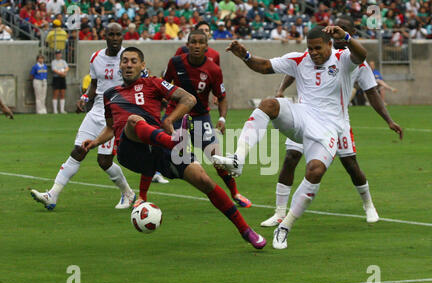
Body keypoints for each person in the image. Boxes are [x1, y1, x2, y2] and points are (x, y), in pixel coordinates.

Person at [81, 46, 266, 249]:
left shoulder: (154, 83)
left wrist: (170, 119)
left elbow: (189, 99)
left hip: (158, 149)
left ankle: (246, 230)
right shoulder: (110, 94)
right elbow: (111, 127)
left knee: (204, 180)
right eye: (125, 61)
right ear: (120, 65)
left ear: (143, 65)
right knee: (134, 120)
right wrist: (96, 142)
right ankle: (173, 142)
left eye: (134, 61)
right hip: (130, 151)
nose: (128, 64)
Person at [213, 26, 368, 249]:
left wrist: (346, 37)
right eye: (310, 48)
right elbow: (265, 66)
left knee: (315, 171)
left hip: (328, 128)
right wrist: (245, 56)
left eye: (318, 48)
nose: (313, 52)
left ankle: (285, 225)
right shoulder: (299, 59)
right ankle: (238, 158)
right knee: (268, 105)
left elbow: (361, 55)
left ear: (329, 45)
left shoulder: (342, 59)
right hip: (302, 115)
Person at [260, 16, 403, 228]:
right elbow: (295, 69)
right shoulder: (317, 54)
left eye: (342, 29)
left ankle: (368, 204)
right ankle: (279, 212)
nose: (335, 32)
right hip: (305, 116)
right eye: (333, 28)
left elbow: (371, 92)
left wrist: (389, 120)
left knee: (351, 165)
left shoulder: (354, 60)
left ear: (350, 32)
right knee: (290, 158)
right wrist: (281, 89)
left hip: (337, 122)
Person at [136, 30, 252, 208]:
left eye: (200, 42)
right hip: (176, 115)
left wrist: (222, 118)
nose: (196, 46)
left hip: (201, 118)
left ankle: (235, 193)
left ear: (206, 46)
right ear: (187, 44)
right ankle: (141, 197)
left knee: (216, 157)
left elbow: (221, 97)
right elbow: (162, 86)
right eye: (193, 42)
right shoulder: (175, 63)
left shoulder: (213, 69)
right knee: (156, 151)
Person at [30, 23, 135, 211]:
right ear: (105, 36)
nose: (114, 38)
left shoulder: (129, 58)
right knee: (78, 151)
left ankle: (128, 192)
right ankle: (52, 195)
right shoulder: (96, 57)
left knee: (104, 162)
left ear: (122, 36)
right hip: (95, 112)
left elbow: (140, 83)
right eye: (110, 34)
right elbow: (94, 84)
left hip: (115, 115)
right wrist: (85, 97)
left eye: (118, 34)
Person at [50, 50, 69, 114]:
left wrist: (64, 72)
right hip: (56, 78)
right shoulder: (53, 62)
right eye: (57, 54)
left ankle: (62, 110)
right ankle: (55, 110)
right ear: (55, 55)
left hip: (62, 78)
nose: (58, 55)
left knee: (62, 93)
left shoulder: (63, 61)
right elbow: (54, 70)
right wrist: (61, 73)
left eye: (59, 54)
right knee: (56, 93)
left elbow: (67, 68)